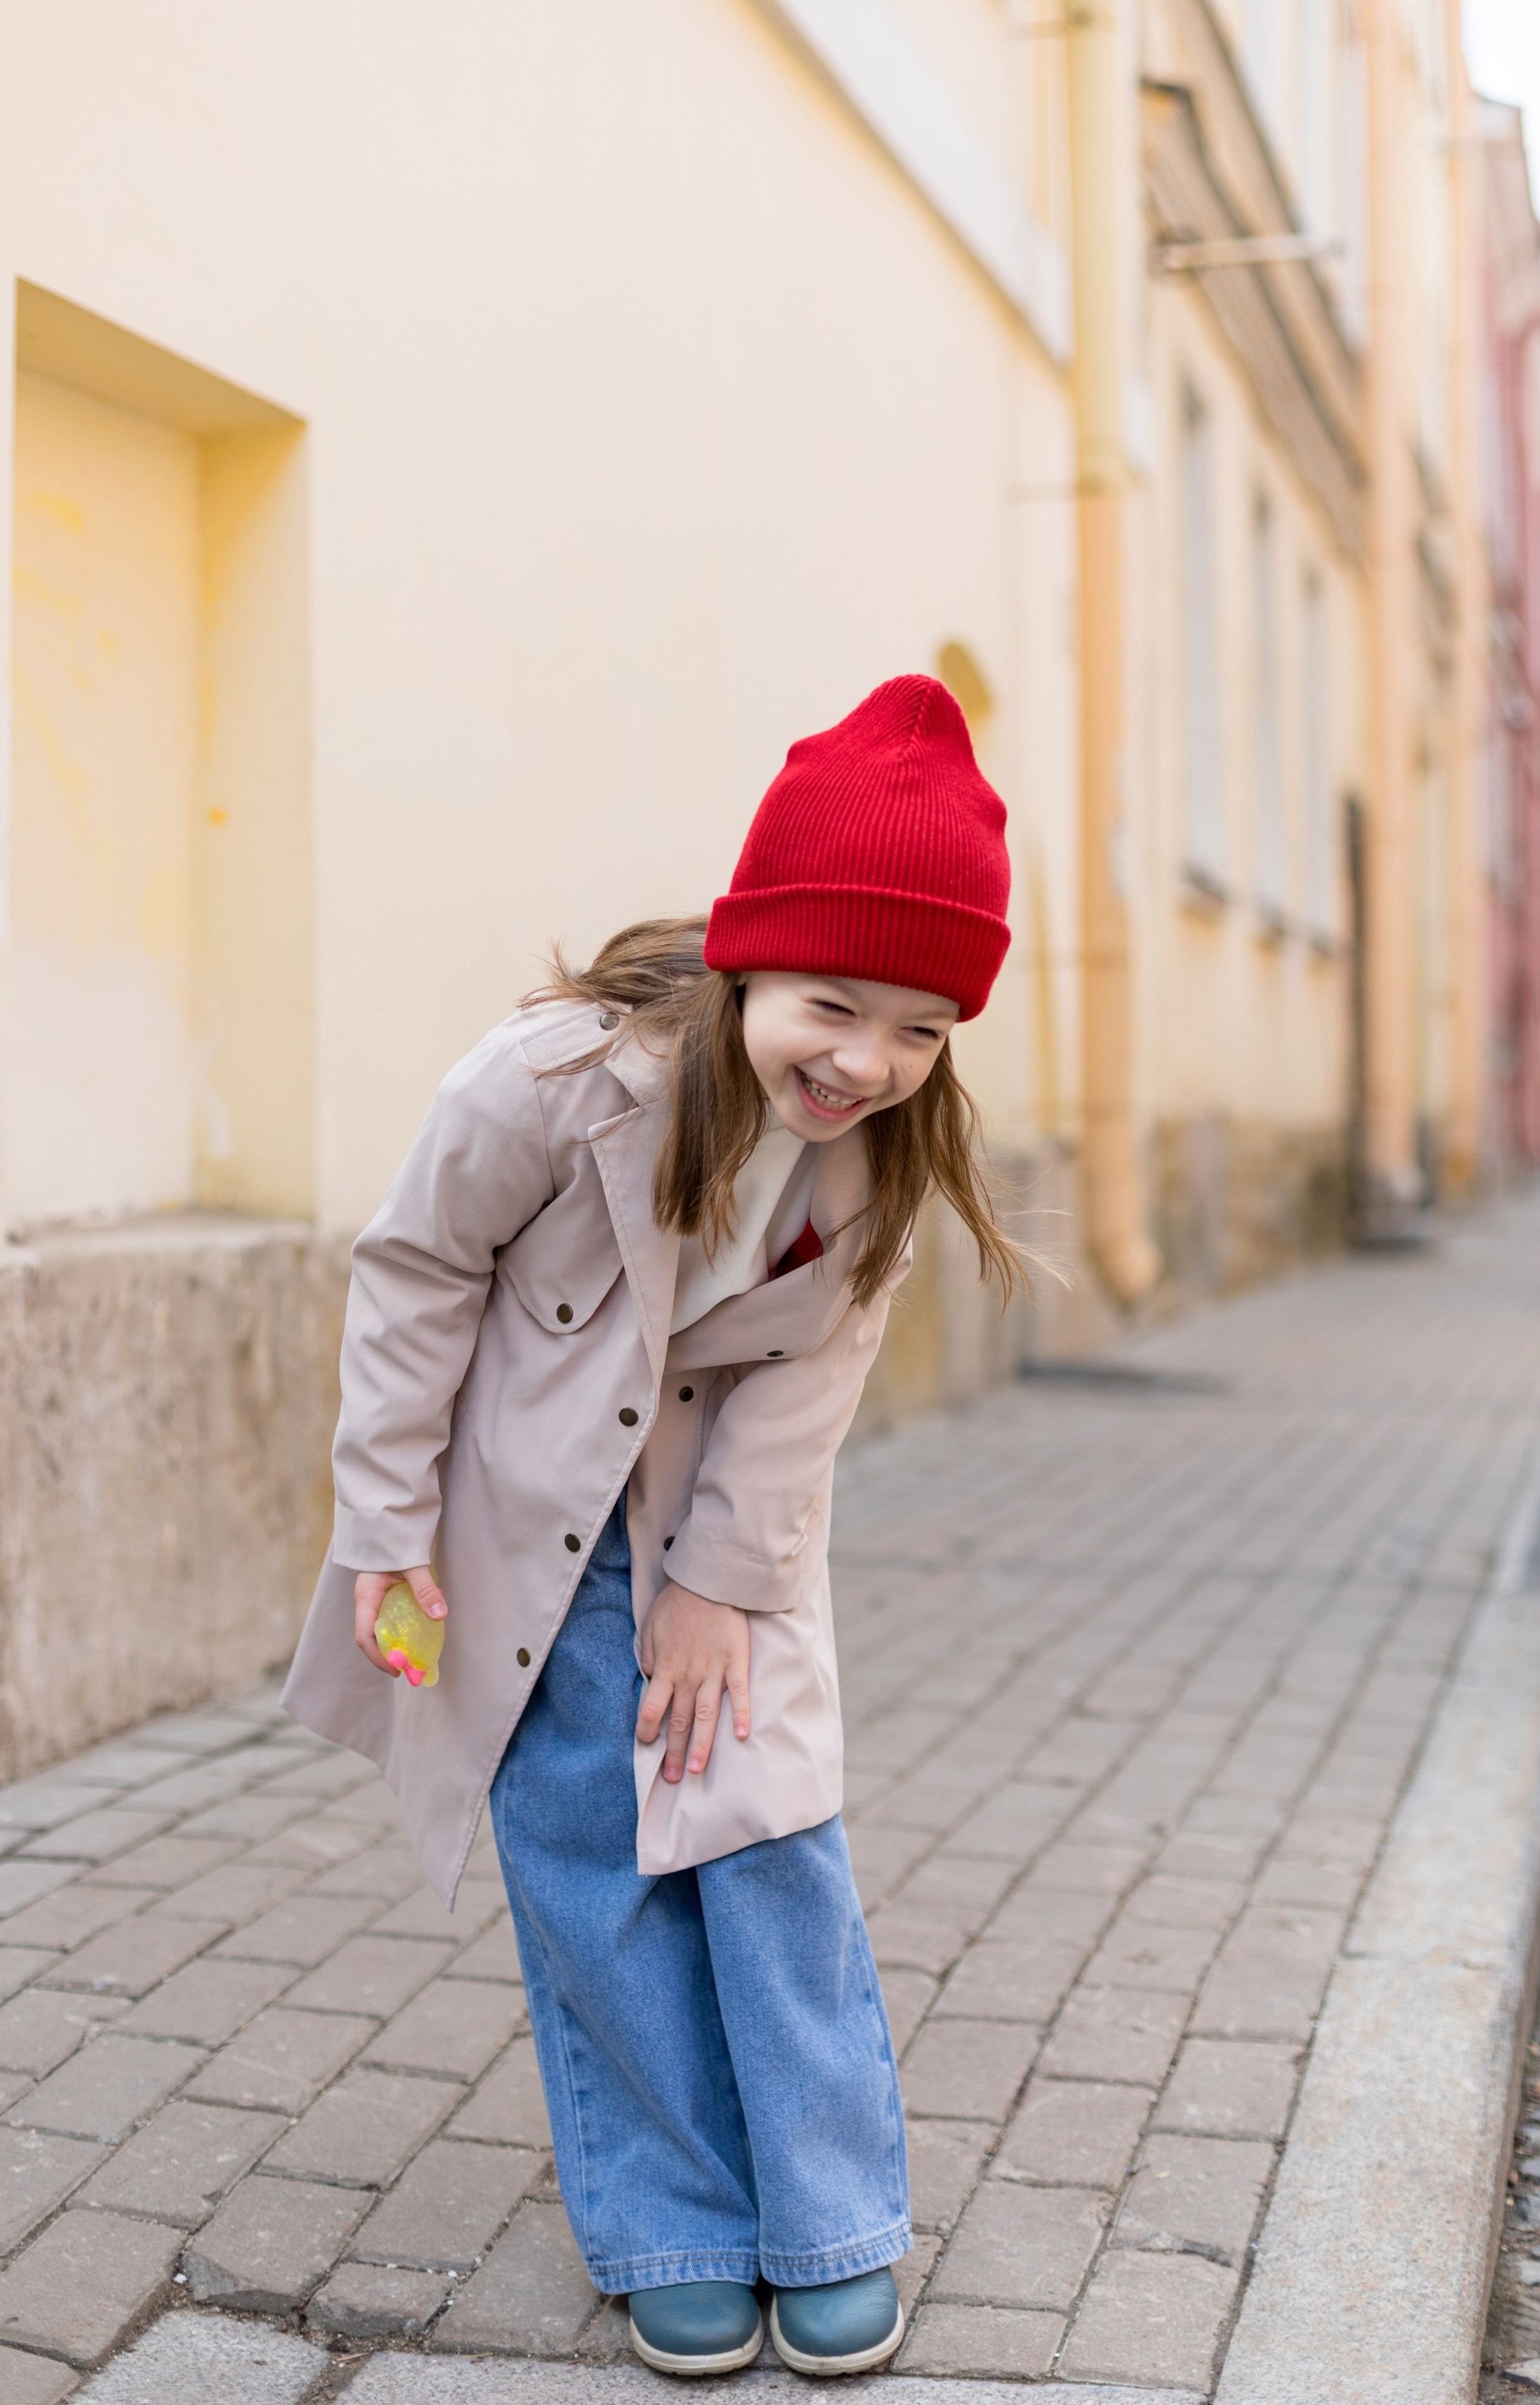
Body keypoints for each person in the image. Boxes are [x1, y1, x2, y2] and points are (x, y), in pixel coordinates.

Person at [284, 673, 1022, 2377]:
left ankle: (828, 2218)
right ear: (753, 954)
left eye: (922, 1028)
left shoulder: (879, 1165)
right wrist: (387, 1527)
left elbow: (809, 1383)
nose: (870, 1063)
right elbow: (412, 1279)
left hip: (723, 1549)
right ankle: (675, 2221)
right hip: (530, 1538)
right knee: (595, 1870)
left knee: (770, 1855)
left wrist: (718, 1594)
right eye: (835, 1004)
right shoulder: (554, 1079)